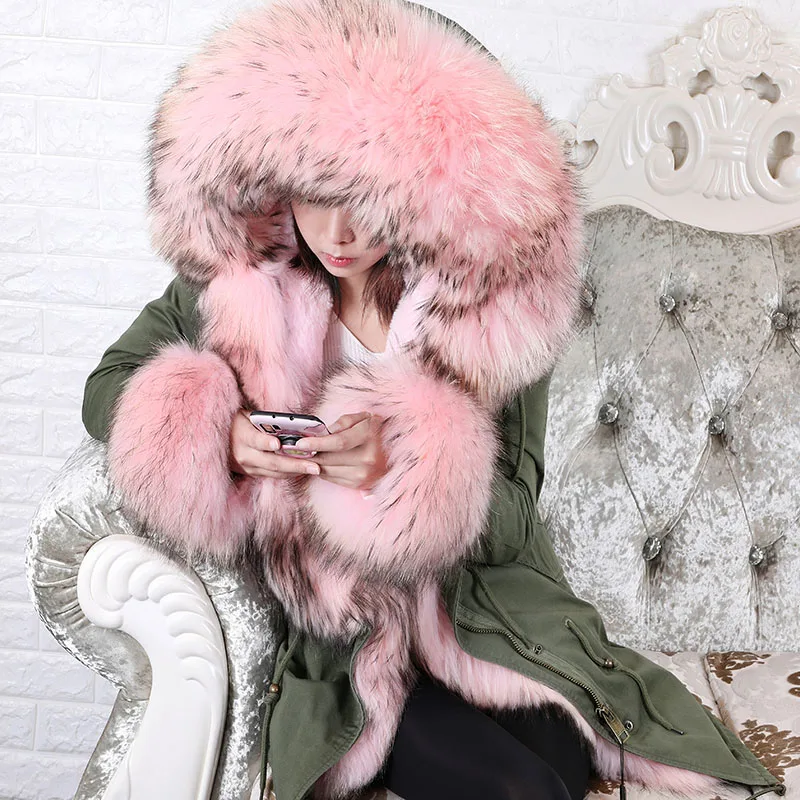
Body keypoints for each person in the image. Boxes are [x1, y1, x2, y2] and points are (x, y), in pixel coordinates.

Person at [81, 1, 786, 799]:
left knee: (559, 765)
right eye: (314, 196)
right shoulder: (248, 291)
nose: (337, 231)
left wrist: (407, 470)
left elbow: (515, 510)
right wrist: (227, 438)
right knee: (523, 790)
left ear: (415, 190)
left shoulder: (481, 309)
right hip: (348, 639)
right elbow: (109, 388)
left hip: (489, 614)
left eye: (364, 198)